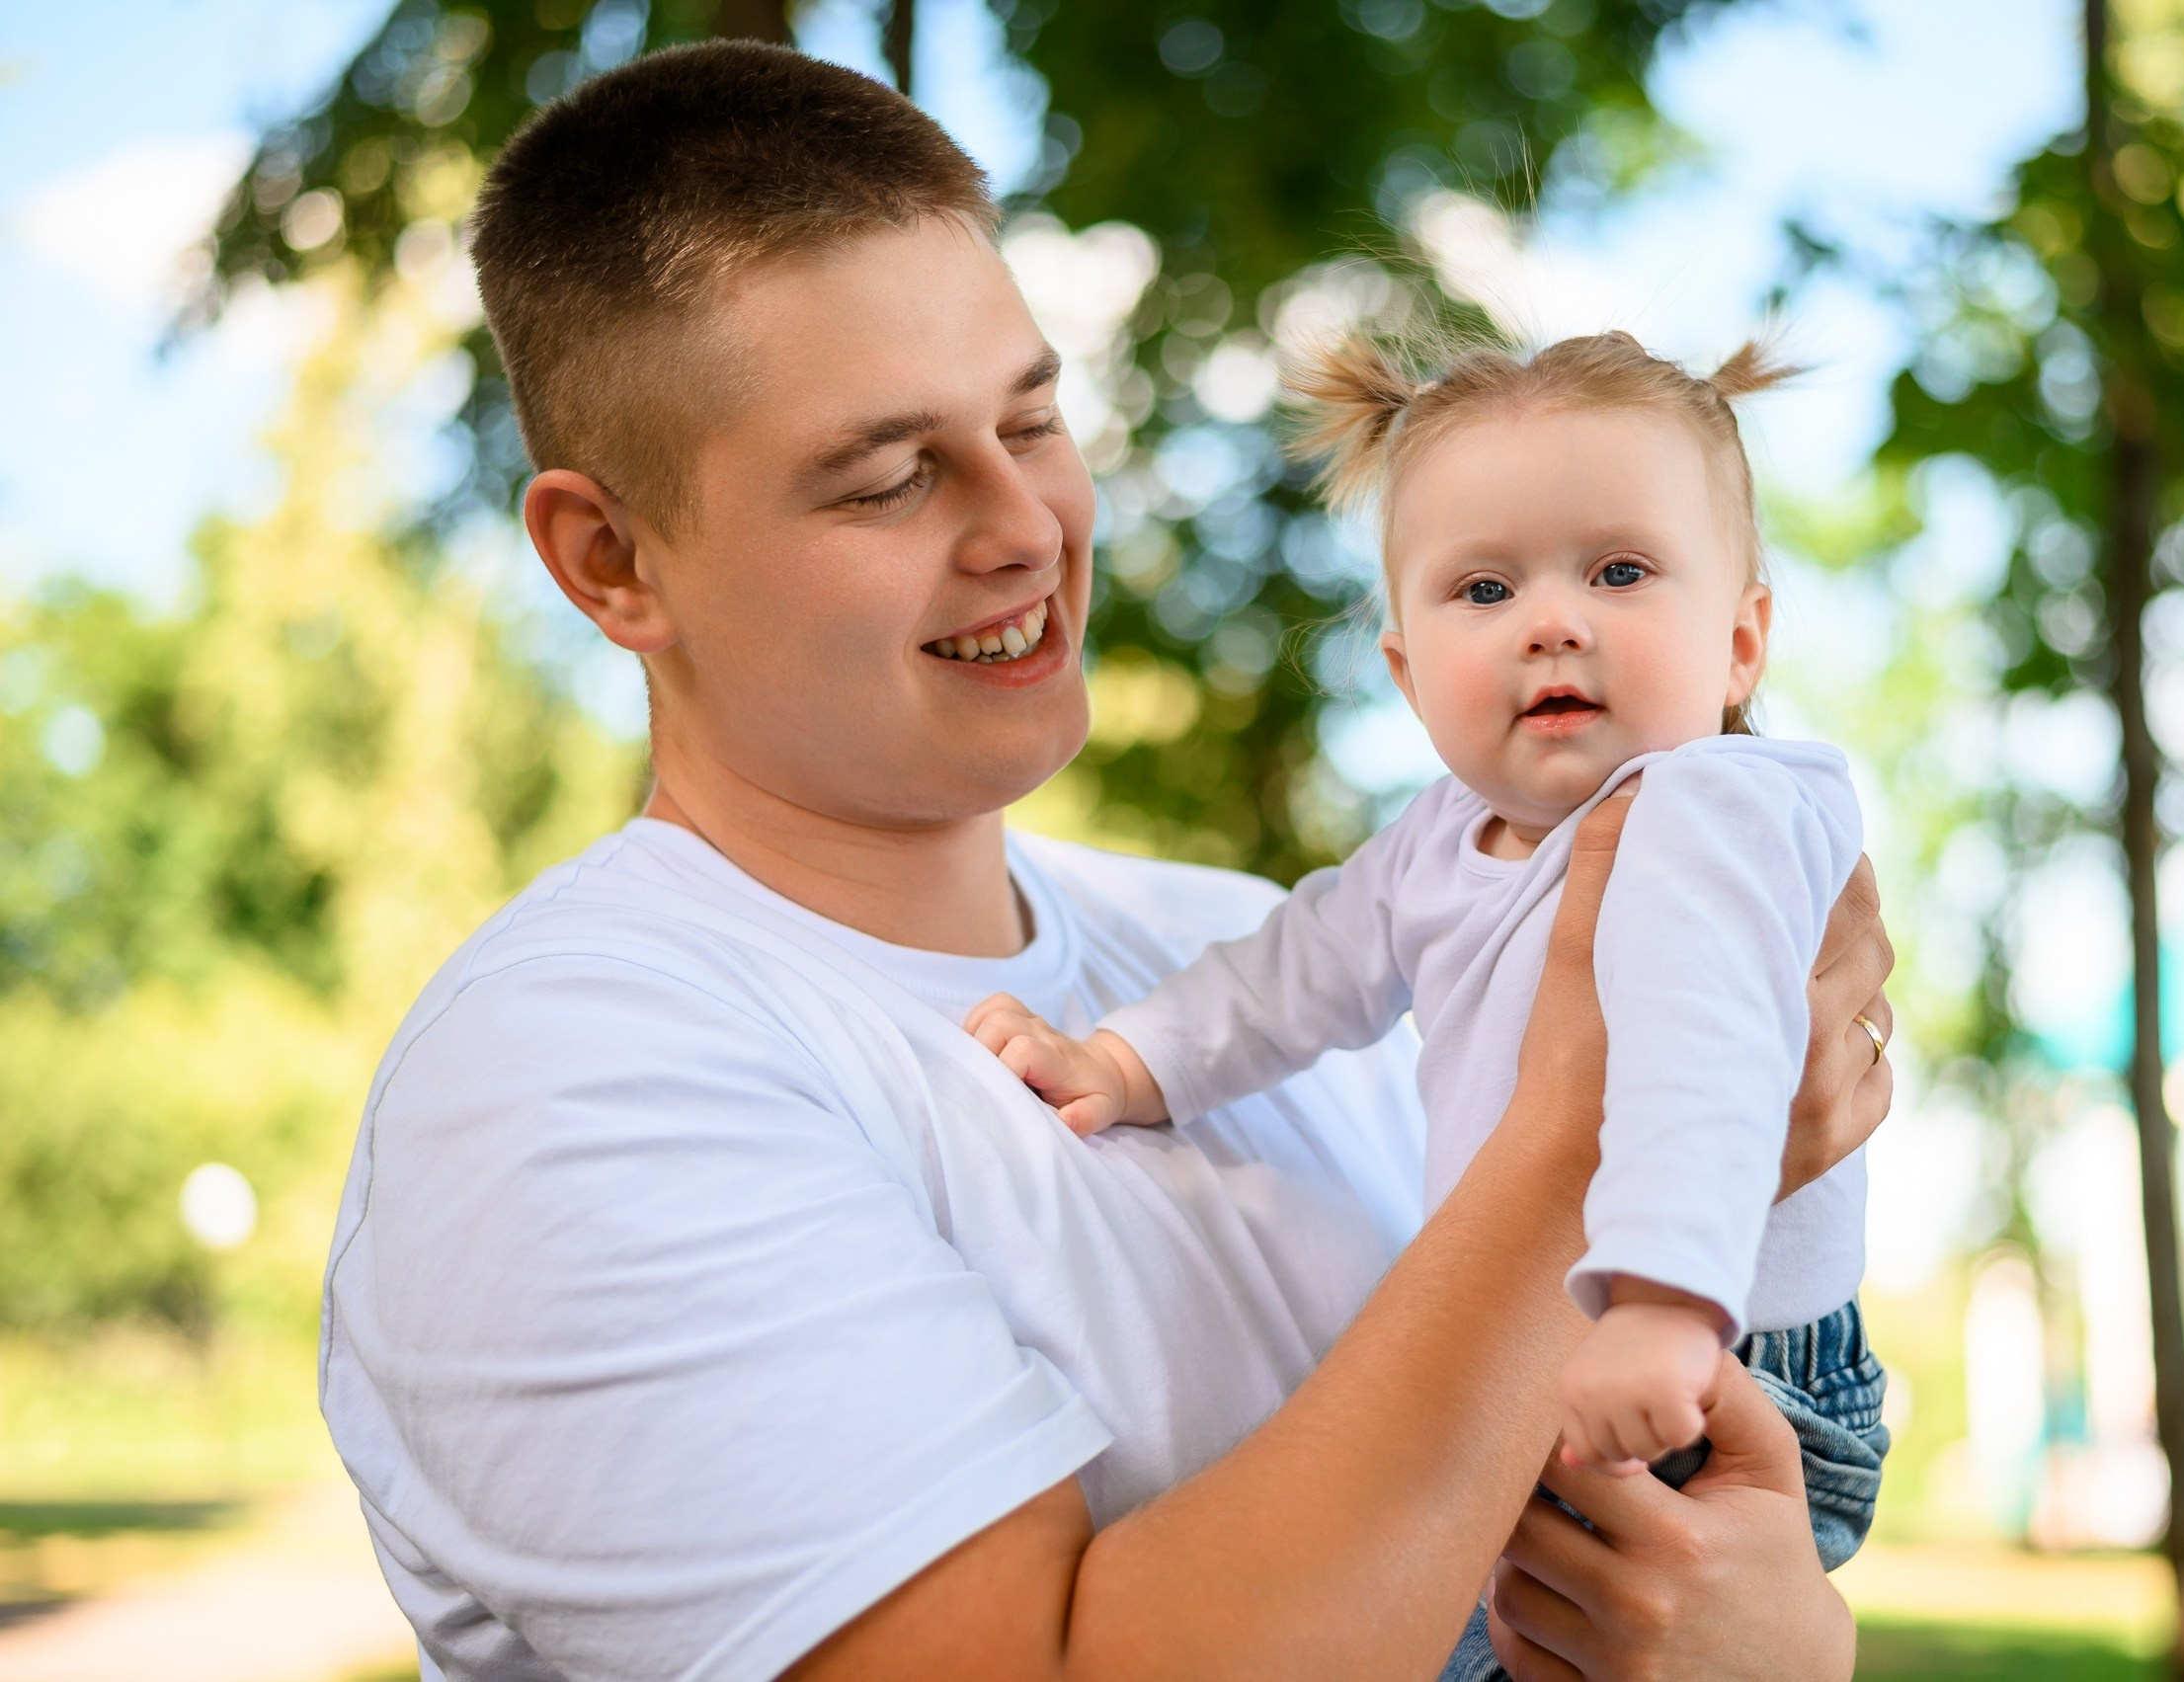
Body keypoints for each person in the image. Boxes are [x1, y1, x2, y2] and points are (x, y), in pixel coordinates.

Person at [315, 40, 1896, 1682]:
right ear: (612, 558)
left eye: (1032, 420)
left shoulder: (1223, 953)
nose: (1025, 524)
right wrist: (1604, 1108)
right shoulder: (568, 1080)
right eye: (889, 475)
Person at [965, 331, 1888, 1568]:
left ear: (1739, 640)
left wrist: (1663, 1299)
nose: (1551, 623)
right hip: (1563, 1329)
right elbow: (1291, 973)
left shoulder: (1717, 806)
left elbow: (1707, 1052)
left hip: (1725, 1352)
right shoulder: (1440, 840)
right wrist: (1127, 1063)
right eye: (1485, 591)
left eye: (1619, 571)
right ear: (1405, 671)